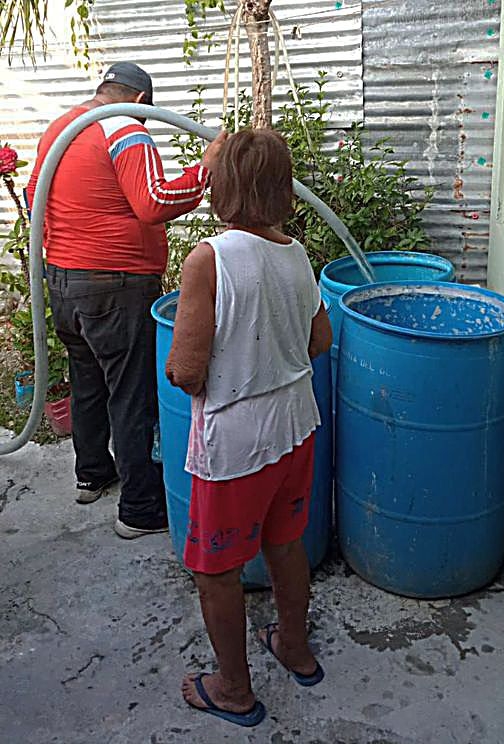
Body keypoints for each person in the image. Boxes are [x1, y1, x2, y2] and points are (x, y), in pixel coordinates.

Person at [165, 129, 333, 727]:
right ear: (282, 189)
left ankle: (234, 688)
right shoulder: (296, 253)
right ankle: (293, 646)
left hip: (235, 443)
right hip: (296, 424)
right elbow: (321, 339)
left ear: (221, 185)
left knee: (216, 569)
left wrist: (189, 362)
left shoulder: (209, 259)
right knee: (284, 543)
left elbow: (186, 371)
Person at [26, 62, 227, 539]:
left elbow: (36, 193)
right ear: (140, 101)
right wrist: (205, 169)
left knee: (88, 380)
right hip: (116, 286)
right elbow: (153, 201)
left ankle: (92, 474)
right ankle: (139, 509)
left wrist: (69, 249)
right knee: (132, 392)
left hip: (66, 283)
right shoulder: (124, 127)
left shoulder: (63, 126)